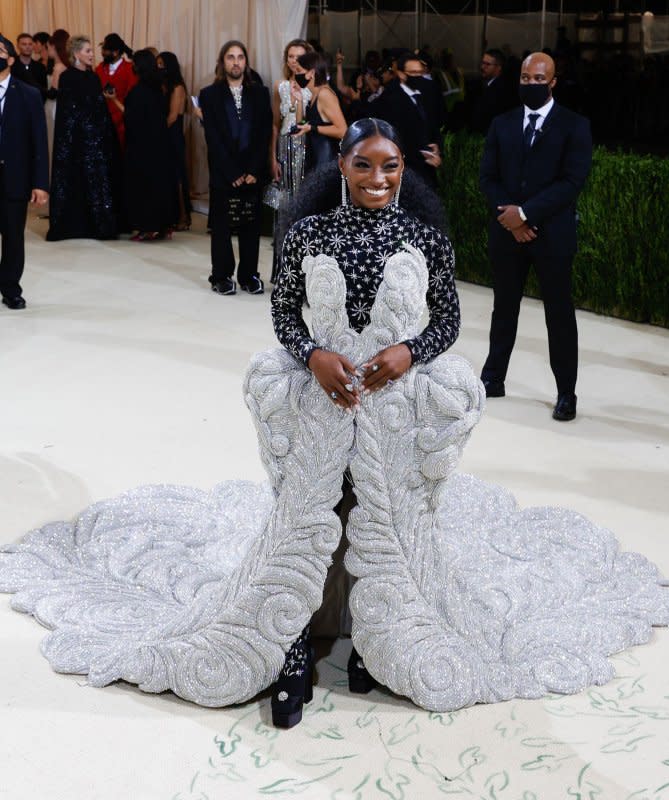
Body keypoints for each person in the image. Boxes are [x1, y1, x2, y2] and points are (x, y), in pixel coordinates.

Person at [0, 120, 667, 736]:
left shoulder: (425, 237)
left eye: (391, 166)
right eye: (364, 166)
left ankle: (381, 638)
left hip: (393, 405)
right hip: (321, 401)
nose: (378, 178)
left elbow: (445, 319)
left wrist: (409, 352)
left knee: (381, 517)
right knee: (310, 514)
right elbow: (285, 313)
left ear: (404, 168)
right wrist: (313, 355)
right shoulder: (308, 234)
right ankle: (289, 638)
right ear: (340, 167)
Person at [479, 51, 592, 422]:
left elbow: (571, 181)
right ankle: (493, 378)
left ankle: (566, 393)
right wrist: (510, 218)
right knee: (504, 308)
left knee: (559, 315)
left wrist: (525, 214)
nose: (531, 84)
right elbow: (488, 178)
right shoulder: (502, 123)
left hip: (552, 236)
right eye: (526, 78)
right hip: (507, 235)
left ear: (553, 81)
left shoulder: (574, 125)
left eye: (539, 78)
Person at [199, 40, 272, 295]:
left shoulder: (261, 93)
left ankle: (249, 275)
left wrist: (254, 169)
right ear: (223, 62)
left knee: (250, 225)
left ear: (246, 62)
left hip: (252, 172)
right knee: (221, 226)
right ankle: (221, 275)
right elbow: (213, 137)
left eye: (240, 57)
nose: (236, 62)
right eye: (231, 57)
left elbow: (264, 134)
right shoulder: (209, 95)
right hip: (224, 172)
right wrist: (231, 173)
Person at [46, 35, 118, 241]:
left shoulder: (94, 77)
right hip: (76, 140)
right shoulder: (67, 77)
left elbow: (98, 107)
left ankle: (97, 224)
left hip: (95, 139)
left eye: (91, 51)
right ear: (76, 54)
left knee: (96, 182)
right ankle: (74, 225)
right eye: (87, 51)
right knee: (75, 179)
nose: (92, 55)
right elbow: (68, 112)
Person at [0, 34, 49, 309]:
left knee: (13, 237)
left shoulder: (29, 94)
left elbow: (38, 141)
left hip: (15, 178)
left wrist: (40, 183)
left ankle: (10, 289)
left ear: (10, 58)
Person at [269, 38, 312, 282]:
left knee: (305, 209)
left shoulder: (315, 88)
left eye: (300, 57)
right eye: (291, 57)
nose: (295, 61)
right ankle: (281, 272)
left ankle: (305, 274)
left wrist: (300, 100)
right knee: (283, 208)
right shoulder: (280, 86)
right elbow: (275, 125)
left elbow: (308, 123)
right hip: (284, 149)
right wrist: (272, 158)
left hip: (307, 150)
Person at [122, 49, 176, 241]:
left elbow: (131, 119)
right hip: (160, 144)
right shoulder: (157, 89)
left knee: (143, 186)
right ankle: (163, 225)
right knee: (160, 184)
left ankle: (148, 227)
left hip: (141, 147)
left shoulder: (138, 92)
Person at [370, 51, 443, 187]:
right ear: (402, 74)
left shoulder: (427, 94)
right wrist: (422, 156)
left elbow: (434, 126)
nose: (418, 77)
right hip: (404, 174)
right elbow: (393, 140)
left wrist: (437, 149)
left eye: (420, 73)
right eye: (413, 73)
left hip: (426, 173)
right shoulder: (390, 100)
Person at [292, 50, 346, 173]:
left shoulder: (325, 94)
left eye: (299, 71)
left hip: (326, 162)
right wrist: (299, 100)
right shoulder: (314, 94)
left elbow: (343, 130)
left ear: (311, 73)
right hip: (316, 159)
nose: (296, 75)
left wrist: (313, 128)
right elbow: (301, 124)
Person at [158, 51, 192, 231]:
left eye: (162, 63)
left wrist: (155, 130)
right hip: (165, 134)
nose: (159, 67)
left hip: (173, 135)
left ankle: (183, 216)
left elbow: (172, 116)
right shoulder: (162, 86)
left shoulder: (178, 87)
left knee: (177, 176)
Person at [95, 33, 136, 151]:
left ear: (116, 52)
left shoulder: (130, 69)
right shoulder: (99, 69)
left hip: (123, 123)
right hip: (103, 121)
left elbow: (131, 98)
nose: (102, 52)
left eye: (105, 50)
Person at [470, 48, 517, 135]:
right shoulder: (480, 84)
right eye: (482, 63)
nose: (482, 67)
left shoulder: (503, 90)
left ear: (498, 68)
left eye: (487, 64)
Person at [11, 34, 47, 101]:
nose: (27, 47)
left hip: (35, 106)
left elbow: (43, 91)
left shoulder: (40, 67)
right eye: (24, 44)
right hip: (16, 105)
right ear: (18, 46)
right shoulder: (11, 66)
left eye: (30, 44)